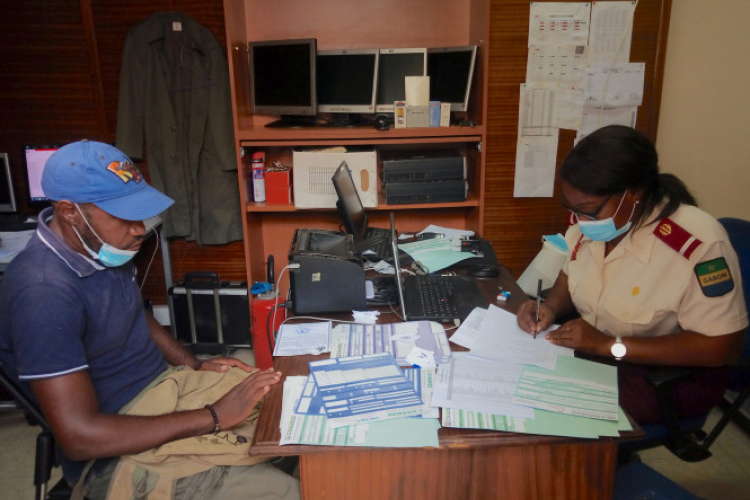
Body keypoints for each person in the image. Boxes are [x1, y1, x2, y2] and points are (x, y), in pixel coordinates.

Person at [0, 140, 300, 499]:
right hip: (114, 449)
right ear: (70, 211)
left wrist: (194, 364)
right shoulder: (43, 293)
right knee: (288, 492)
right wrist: (214, 416)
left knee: (289, 405)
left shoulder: (102, 248)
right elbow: (80, 437)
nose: (139, 229)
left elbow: (133, 314)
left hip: (164, 390)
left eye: (138, 214)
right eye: (123, 216)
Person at [516, 125, 748, 426]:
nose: (577, 220)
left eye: (587, 209)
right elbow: (568, 275)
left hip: (660, 376)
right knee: (520, 385)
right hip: (598, 355)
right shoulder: (592, 226)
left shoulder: (697, 245)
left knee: (546, 418)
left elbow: (723, 347)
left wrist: (608, 345)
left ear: (634, 193)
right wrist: (549, 307)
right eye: (571, 207)